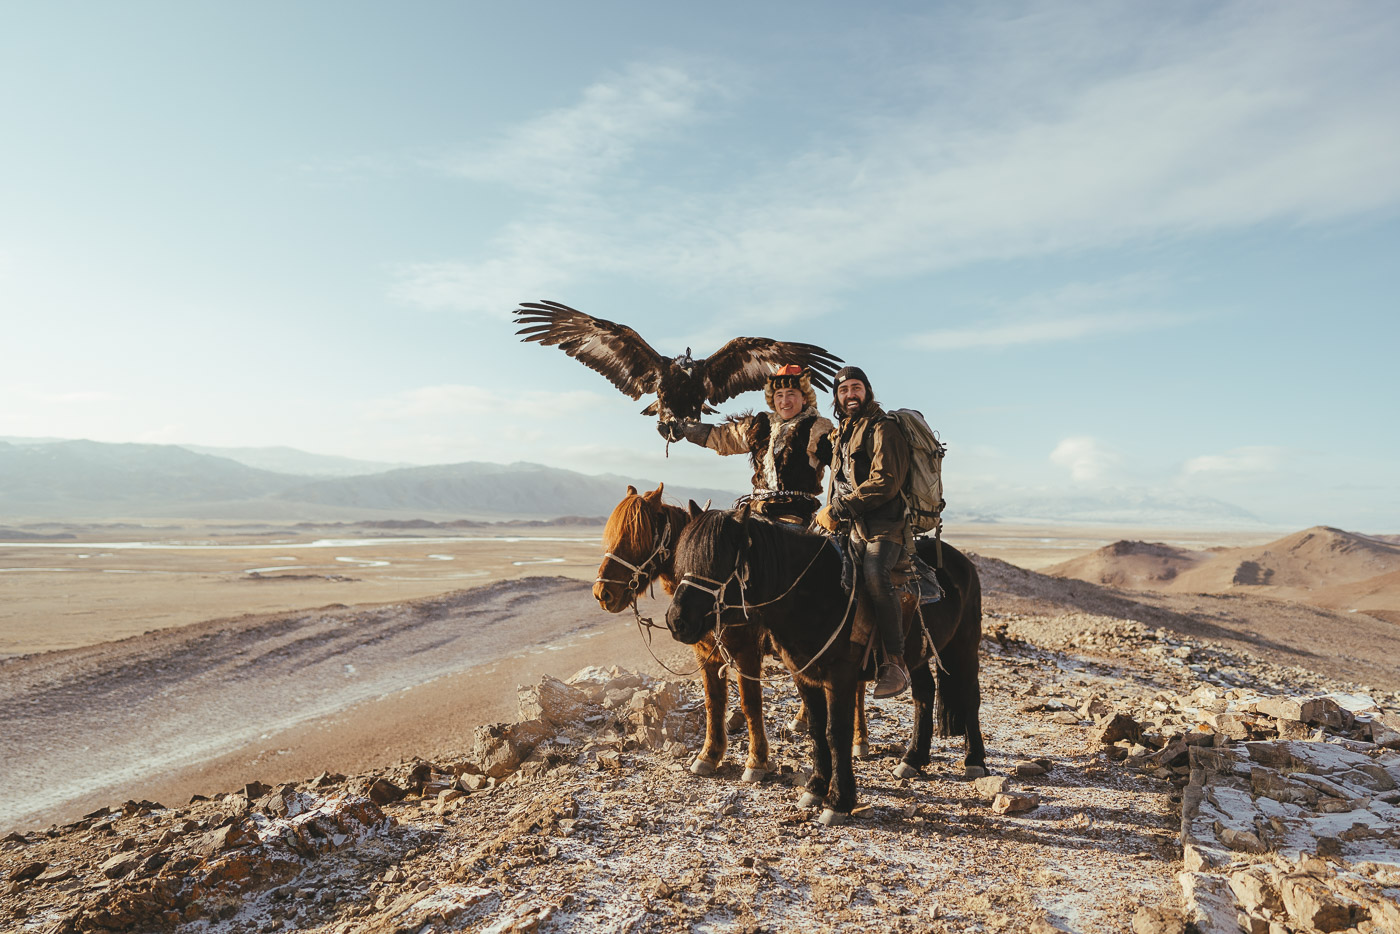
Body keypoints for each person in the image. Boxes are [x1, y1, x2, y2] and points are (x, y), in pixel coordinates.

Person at [815, 365, 912, 698]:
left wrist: (839, 509)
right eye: (843, 391)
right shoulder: (841, 432)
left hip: (885, 528)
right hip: (848, 527)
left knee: (873, 574)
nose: (850, 394)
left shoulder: (884, 429)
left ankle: (895, 662)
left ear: (867, 391)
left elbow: (885, 482)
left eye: (856, 388)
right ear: (837, 398)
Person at [681, 365, 834, 525]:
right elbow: (724, 438)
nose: (784, 401)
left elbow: (839, 464)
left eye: (791, 394)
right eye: (779, 395)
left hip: (795, 515)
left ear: (804, 398)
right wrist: (684, 429)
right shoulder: (761, 425)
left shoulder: (817, 428)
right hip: (758, 509)